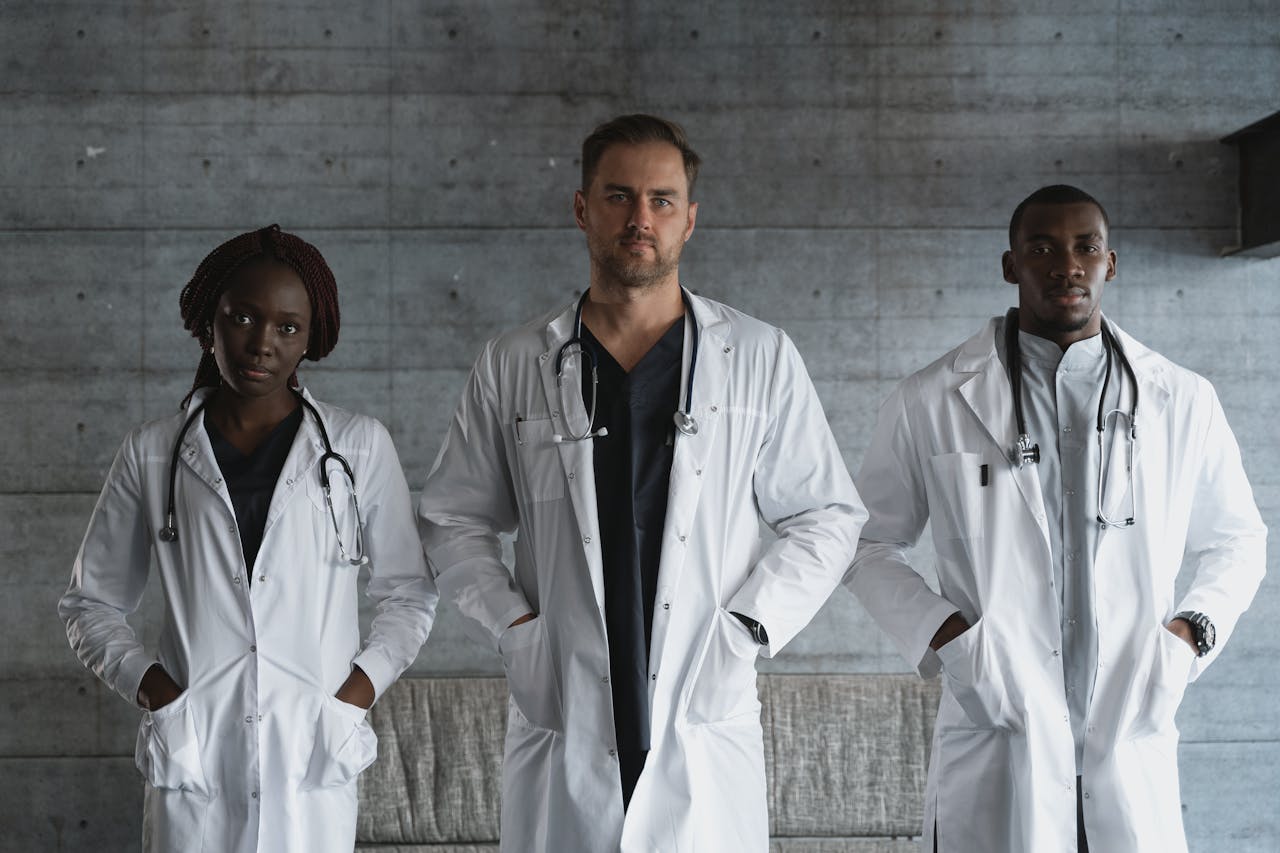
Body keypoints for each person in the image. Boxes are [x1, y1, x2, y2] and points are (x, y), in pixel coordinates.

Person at [417, 114, 865, 852]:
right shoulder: (514, 361)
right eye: (619, 196)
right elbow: (452, 518)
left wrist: (748, 626)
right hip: (565, 699)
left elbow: (828, 514)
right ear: (582, 209)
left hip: (701, 698)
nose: (639, 218)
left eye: (661, 200)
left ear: (690, 218)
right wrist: (514, 627)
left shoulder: (758, 355)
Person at [846, 185, 1266, 852]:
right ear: (1010, 265)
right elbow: (866, 544)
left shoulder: (1181, 399)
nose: (1064, 264)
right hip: (998, 728)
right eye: (1040, 247)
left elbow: (1238, 539)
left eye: (1084, 247)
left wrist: (1190, 634)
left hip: (1130, 722)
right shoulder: (930, 399)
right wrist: (952, 637)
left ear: (1111, 263)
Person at [58, 225, 436, 853]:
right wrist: (157, 691)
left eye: (288, 327)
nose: (262, 343)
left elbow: (410, 594)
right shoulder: (153, 452)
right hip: (196, 753)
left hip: (312, 750)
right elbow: (90, 603)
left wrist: (352, 697)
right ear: (210, 322)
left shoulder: (358, 446)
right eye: (242, 318)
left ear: (311, 337)